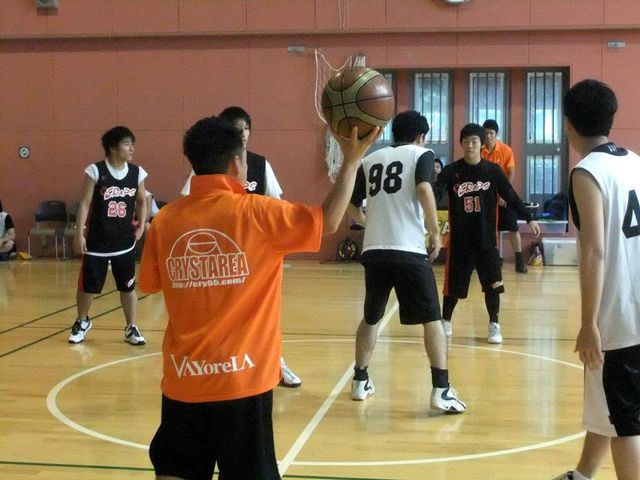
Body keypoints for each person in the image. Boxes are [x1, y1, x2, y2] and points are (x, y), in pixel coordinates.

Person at [139, 116, 380, 480]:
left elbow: (150, 285)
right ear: (237, 162)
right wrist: (350, 162)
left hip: (183, 380)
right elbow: (329, 220)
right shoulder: (259, 213)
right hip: (243, 382)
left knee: (175, 471)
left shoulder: (165, 221)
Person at [347, 110, 466, 413]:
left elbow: (352, 205)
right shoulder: (421, 154)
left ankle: (360, 380)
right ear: (420, 136)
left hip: (375, 251)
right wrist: (435, 232)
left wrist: (370, 224)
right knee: (432, 320)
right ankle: (441, 389)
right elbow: (424, 188)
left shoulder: (371, 159)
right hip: (408, 250)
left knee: (371, 316)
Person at [554, 79, 640, 480]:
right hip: (636, 304)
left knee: (625, 421)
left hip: (618, 315)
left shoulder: (587, 172)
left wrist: (588, 323)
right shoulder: (634, 161)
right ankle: (583, 474)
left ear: (568, 125)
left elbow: (594, 251)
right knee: (610, 403)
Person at [181, 106, 301, 388]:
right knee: (223, 316)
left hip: (256, 255)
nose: (243, 134)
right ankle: (219, 365)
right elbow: (187, 202)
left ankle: (275, 363)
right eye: (237, 129)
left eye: (246, 128)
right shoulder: (208, 166)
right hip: (222, 255)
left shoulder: (260, 164)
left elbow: (276, 203)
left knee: (263, 317)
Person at [435, 123, 540, 343]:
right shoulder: (451, 171)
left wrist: (528, 217)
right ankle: (446, 321)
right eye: (466, 141)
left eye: (474, 141)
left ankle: (494, 324)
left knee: (493, 284)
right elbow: (435, 193)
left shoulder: (492, 171)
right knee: (453, 285)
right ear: (461, 144)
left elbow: (511, 196)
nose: (470, 145)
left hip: (486, 239)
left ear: (482, 144)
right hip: (460, 240)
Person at [68, 126, 147, 345]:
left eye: (132, 144)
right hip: (97, 241)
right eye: (126, 144)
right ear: (112, 148)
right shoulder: (95, 171)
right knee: (88, 287)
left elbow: (142, 201)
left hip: (124, 242)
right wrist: (79, 234)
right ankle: (82, 321)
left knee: (128, 287)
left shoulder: (137, 173)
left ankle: (131, 327)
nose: (132, 148)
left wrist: (141, 225)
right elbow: (84, 203)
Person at [481, 119, 528, 273]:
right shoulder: (480, 151)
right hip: (487, 195)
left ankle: (519, 261)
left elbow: (511, 173)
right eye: (486, 133)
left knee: (512, 227)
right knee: (488, 228)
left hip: (504, 194)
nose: (488, 136)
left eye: (491, 133)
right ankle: (494, 259)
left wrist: (502, 195)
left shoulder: (506, 150)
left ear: (496, 134)